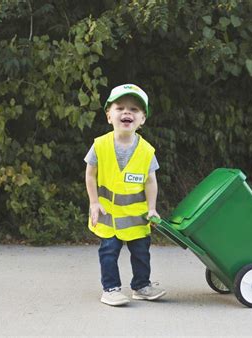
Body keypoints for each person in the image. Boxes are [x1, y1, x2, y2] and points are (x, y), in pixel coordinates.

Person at [84, 84, 166, 306]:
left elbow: (151, 181)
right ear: (109, 115)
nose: (127, 113)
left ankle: (141, 286)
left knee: (141, 254)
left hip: (136, 217)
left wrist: (151, 208)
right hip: (107, 214)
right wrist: (93, 202)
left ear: (142, 120)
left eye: (134, 110)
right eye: (120, 108)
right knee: (108, 253)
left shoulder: (147, 151)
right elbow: (90, 175)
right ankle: (110, 289)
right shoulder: (99, 145)